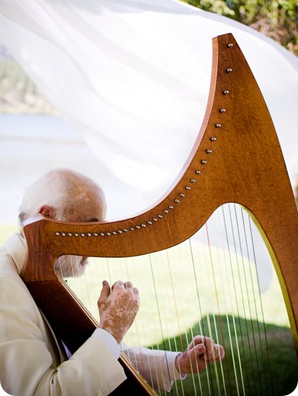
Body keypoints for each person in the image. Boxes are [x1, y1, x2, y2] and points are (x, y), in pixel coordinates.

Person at [0, 168, 225, 396]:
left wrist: (178, 363)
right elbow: (41, 392)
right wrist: (111, 329)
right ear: (47, 217)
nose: (96, 245)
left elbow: (89, 351)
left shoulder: (41, 272)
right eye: (89, 227)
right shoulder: (4, 286)